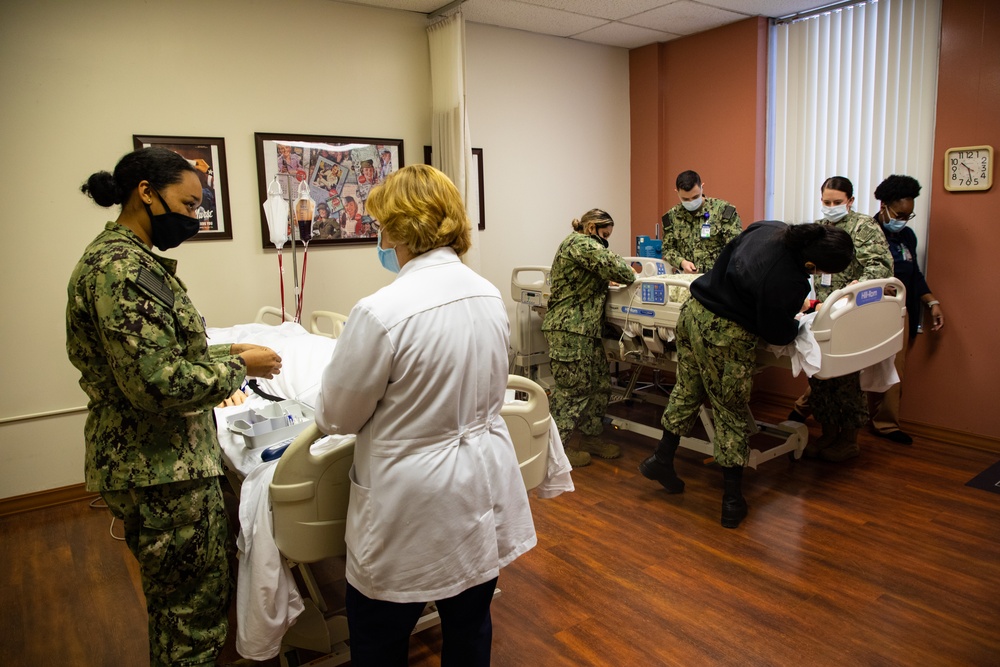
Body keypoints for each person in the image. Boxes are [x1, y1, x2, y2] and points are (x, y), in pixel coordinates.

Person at [66, 147, 283, 666]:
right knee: (191, 615)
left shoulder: (126, 259)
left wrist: (229, 349)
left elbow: (161, 350)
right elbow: (156, 383)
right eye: (187, 205)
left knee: (178, 606)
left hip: (159, 463)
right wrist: (240, 370)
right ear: (146, 192)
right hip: (161, 470)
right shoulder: (121, 271)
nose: (193, 218)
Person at [314, 164, 536, 667]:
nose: (380, 237)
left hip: (411, 503)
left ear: (400, 226)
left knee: (379, 641)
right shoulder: (487, 294)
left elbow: (338, 416)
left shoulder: (381, 310)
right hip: (476, 484)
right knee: (470, 627)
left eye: (381, 225)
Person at [639, 221, 855, 528]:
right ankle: (731, 501)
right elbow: (777, 333)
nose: (814, 275)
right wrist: (799, 319)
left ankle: (661, 458)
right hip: (725, 332)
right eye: (817, 271)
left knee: (688, 389)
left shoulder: (770, 228)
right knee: (730, 410)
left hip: (692, 313)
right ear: (811, 263)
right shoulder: (790, 280)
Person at [795, 176, 894, 461]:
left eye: (837, 202)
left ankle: (849, 439)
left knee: (847, 378)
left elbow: (880, 266)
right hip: (822, 310)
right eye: (826, 202)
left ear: (850, 201)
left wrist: (855, 287)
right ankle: (828, 434)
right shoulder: (818, 229)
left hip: (853, 311)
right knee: (821, 375)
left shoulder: (864, 227)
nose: (831, 207)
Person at [542, 209, 638, 468]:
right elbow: (624, 271)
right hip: (569, 330)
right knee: (572, 392)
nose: (605, 241)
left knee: (599, 386)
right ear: (592, 228)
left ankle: (591, 438)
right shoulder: (581, 243)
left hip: (586, 331)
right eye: (604, 236)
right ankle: (555, 451)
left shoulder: (583, 246)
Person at [868, 175, 945, 444]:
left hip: (900, 310)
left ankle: (885, 424)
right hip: (868, 309)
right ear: (884, 206)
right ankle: (803, 408)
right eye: (900, 214)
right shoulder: (866, 233)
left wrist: (931, 302)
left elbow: (914, 274)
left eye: (909, 215)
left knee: (894, 368)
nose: (904, 219)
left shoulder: (906, 236)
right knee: (847, 364)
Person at [661, 170, 742, 274]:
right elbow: (668, 249)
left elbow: (736, 247)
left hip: (717, 278)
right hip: (685, 280)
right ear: (677, 192)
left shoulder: (723, 211)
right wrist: (682, 263)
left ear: (702, 187)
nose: (691, 202)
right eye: (685, 199)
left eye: (695, 197)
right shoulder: (671, 217)